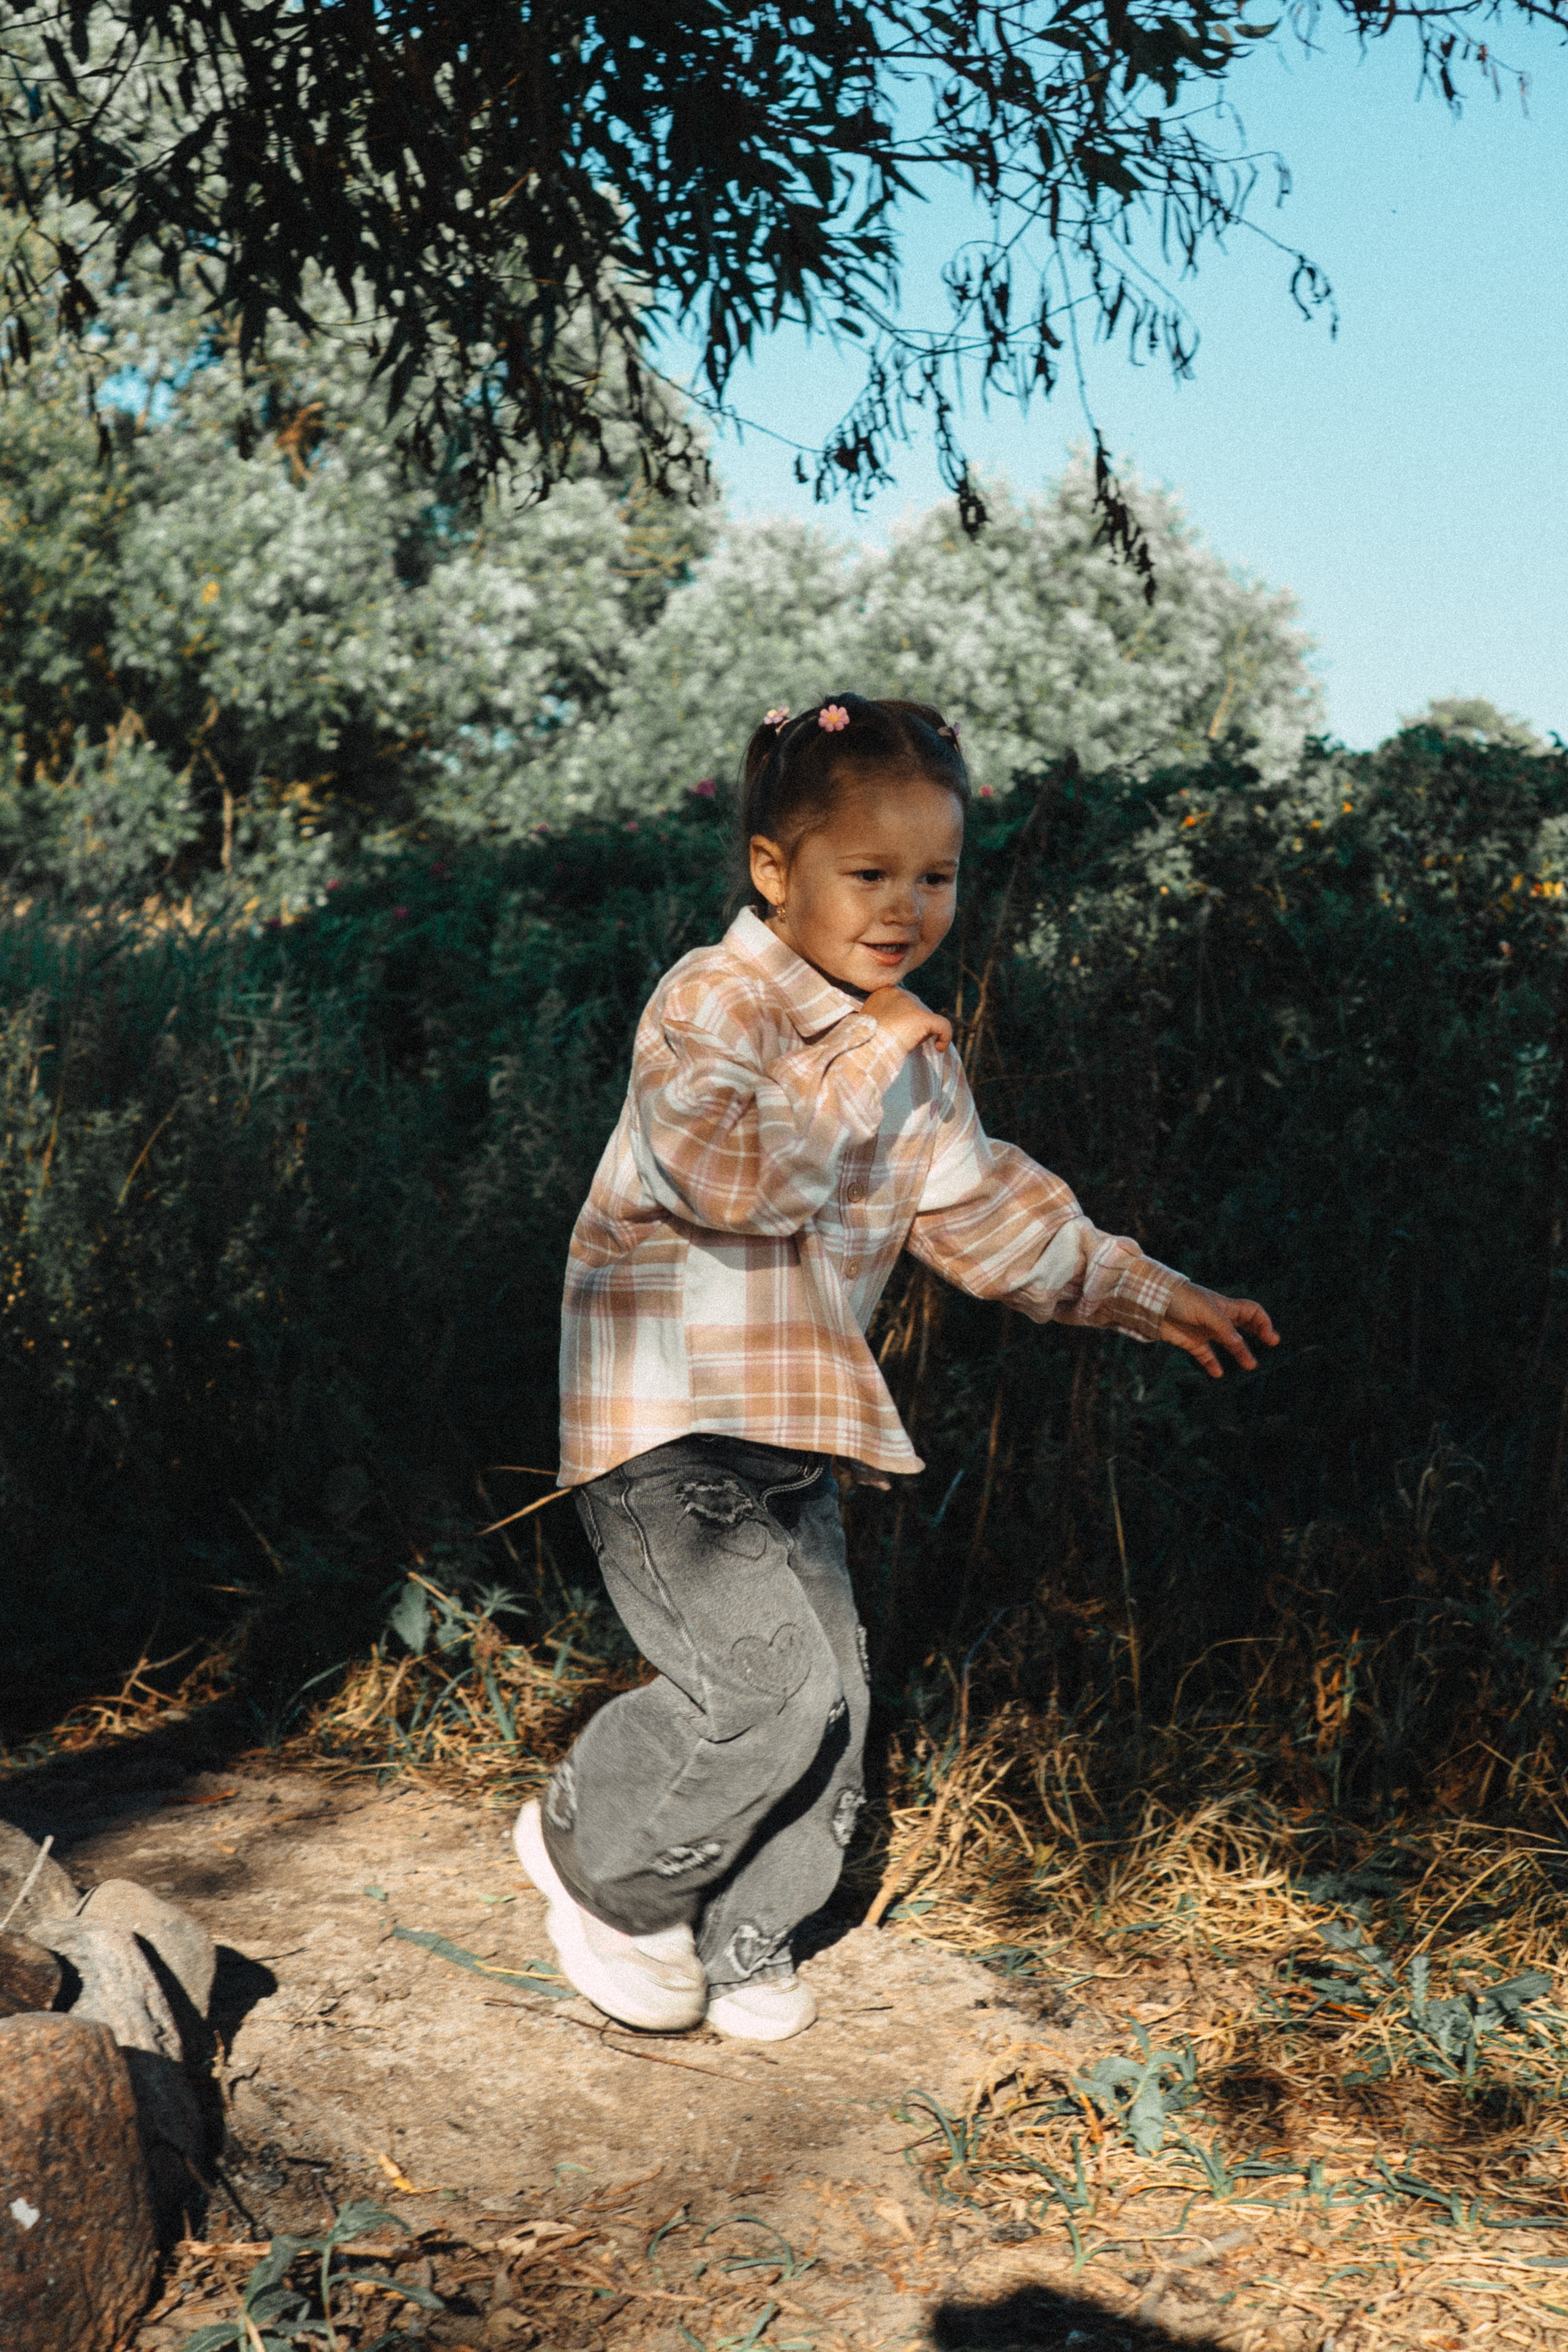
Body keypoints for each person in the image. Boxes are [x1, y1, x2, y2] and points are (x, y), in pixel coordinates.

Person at [514, 694, 1277, 2042]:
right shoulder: (715, 1000)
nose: (903, 906)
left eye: (934, 876)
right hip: (664, 1417)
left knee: (838, 1714)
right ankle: (599, 1865)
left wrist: (1146, 1294)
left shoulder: (909, 1058)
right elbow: (724, 1175)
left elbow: (985, 1213)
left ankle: (746, 1936)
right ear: (773, 869)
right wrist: (860, 1054)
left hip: (799, 1430)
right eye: (867, 874)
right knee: (763, 1689)